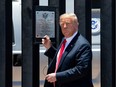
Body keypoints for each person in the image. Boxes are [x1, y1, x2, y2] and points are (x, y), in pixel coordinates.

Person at [42, 13, 93, 87]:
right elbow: (63, 60)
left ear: (76, 25)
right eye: (62, 24)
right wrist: (49, 47)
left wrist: (57, 76)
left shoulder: (83, 45)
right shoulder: (65, 40)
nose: (64, 26)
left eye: (67, 23)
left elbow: (81, 70)